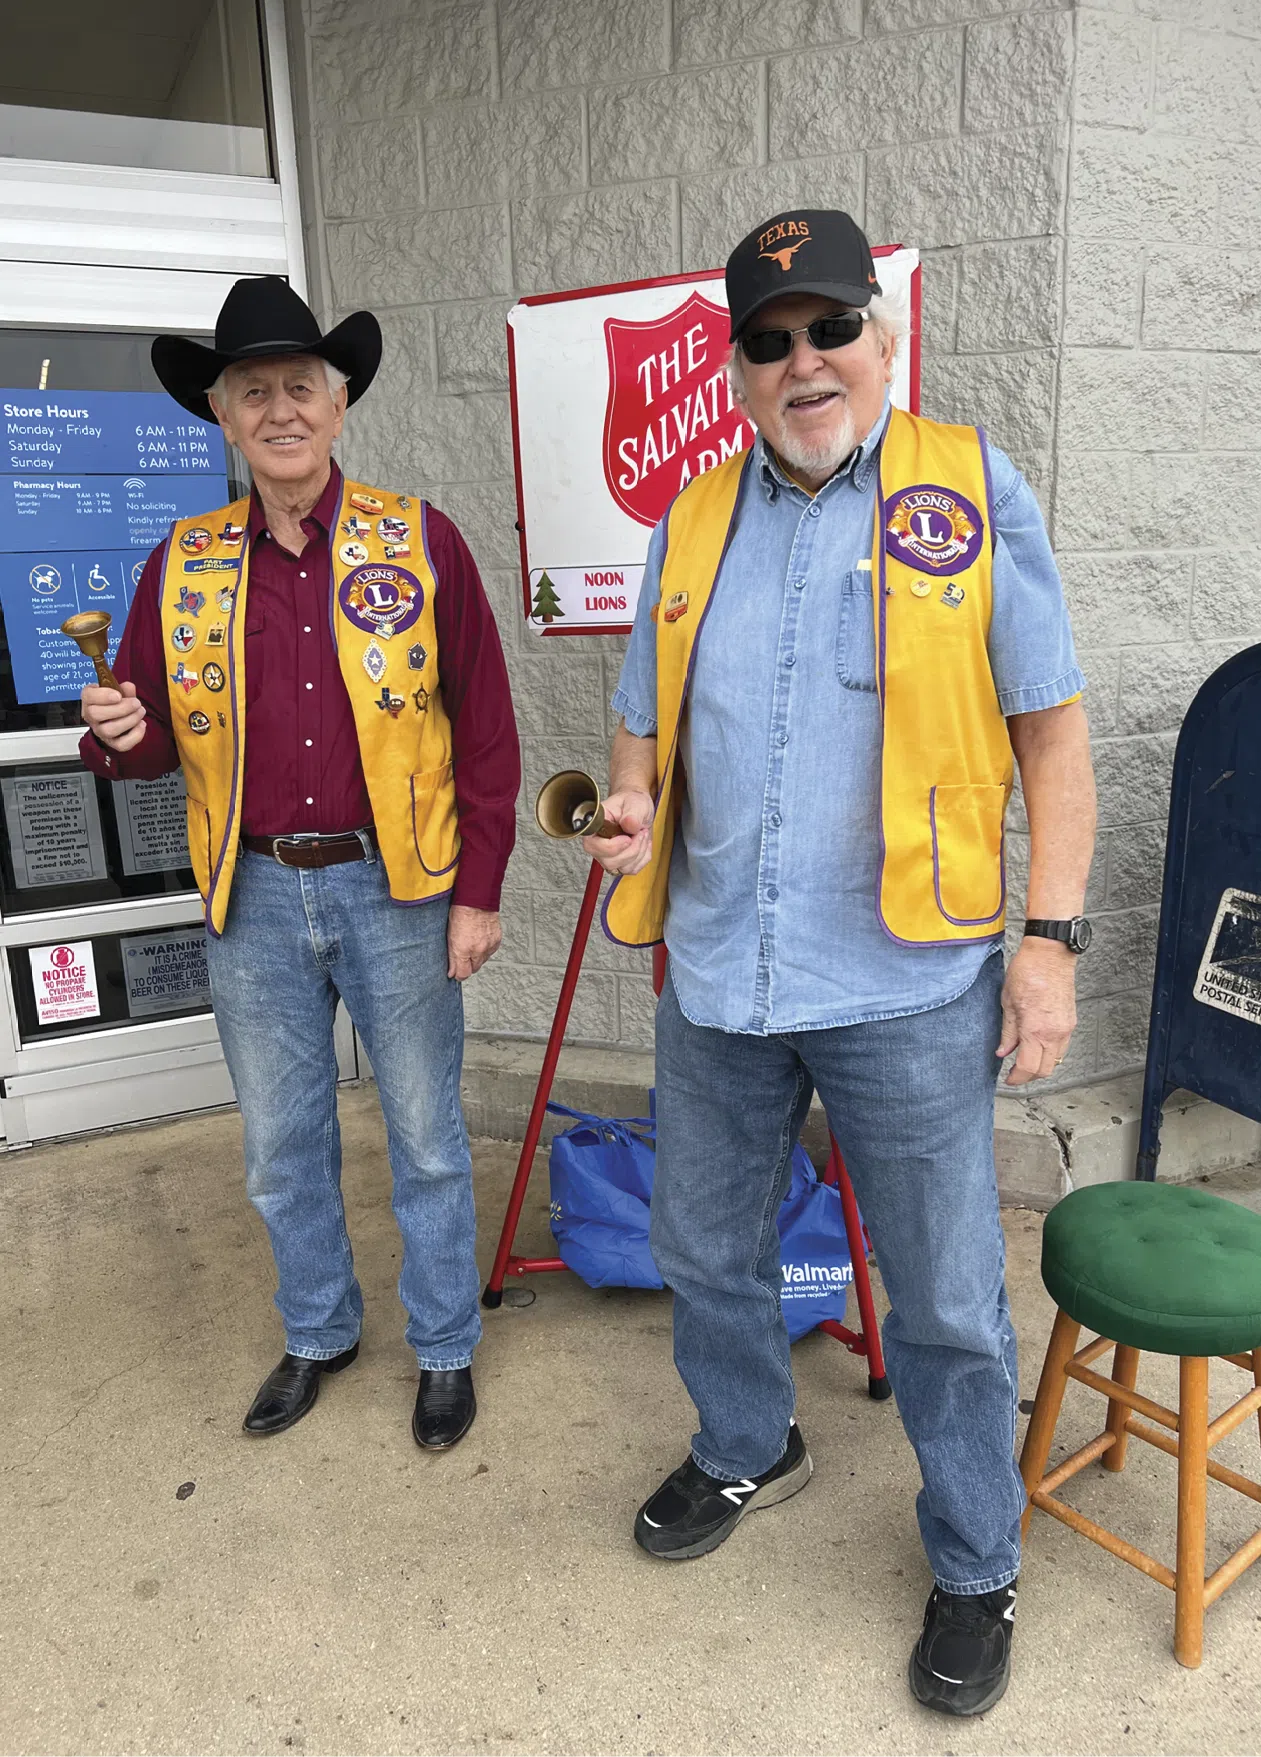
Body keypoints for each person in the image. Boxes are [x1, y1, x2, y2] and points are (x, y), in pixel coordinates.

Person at [584, 210, 1096, 1716]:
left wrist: (1049, 946)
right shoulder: (689, 521)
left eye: (826, 328)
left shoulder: (966, 486)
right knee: (700, 1249)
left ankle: (974, 1557)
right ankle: (752, 1442)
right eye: (767, 338)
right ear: (735, 369)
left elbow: (1051, 731)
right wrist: (630, 800)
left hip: (908, 984)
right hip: (722, 981)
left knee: (939, 1295)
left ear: (879, 336)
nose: (801, 361)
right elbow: (639, 713)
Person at [79, 276, 520, 1451]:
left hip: (398, 886)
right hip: (254, 894)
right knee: (282, 1140)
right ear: (221, 417)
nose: (279, 409)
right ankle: (319, 1329)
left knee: (425, 1132)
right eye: (253, 391)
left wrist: (479, 888)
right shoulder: (182, 563)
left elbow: (483, 726)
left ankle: (442, 1347)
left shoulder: (418, 539)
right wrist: (118, 740)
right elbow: (148, 732)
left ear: (339, 405)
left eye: (300, 388)